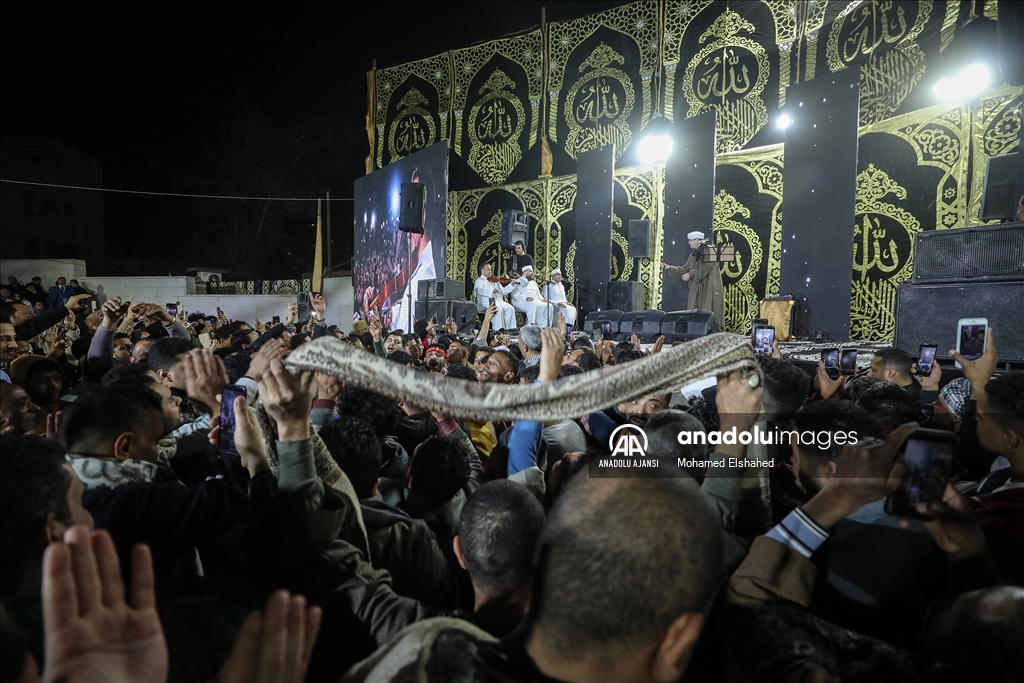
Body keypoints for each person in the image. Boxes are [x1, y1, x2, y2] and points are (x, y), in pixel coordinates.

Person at [661, 230, 724, 323]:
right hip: (697, 286)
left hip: (708, 286)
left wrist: (690, 275)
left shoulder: (710, 251)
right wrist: (669, 268)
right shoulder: (693, 255)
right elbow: (685, 268)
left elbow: (705, 267)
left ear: (697, 240)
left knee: (708, 309)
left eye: (691, 240)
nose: (689, 242)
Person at [474, 263, 516, 331]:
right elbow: (479, 291)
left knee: (510, 308)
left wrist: (512, 284)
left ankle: (510, 328)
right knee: (498, 308)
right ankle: (498, 329)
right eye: (488, 270)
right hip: (486, 301)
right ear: (482, 270)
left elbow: (503, 291)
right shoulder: (479, 281)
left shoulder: (495, 281)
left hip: (498, 300)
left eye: (490, 269)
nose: (490, 271)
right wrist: (492, 291)